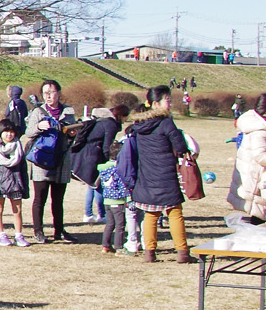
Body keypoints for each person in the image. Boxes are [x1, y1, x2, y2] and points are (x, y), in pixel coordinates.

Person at [126, 85, 192, 263]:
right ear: (156, 103)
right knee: (174, 212)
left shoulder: (139, 124)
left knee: (150, 214)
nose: (169, 103)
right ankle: (183, 252)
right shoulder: (165, 122)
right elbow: (179, 146)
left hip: (147, 174)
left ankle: (150, 252)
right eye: (167, 99)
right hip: (165, 173)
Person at [24, 79, 78, 243]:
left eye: (51, 92)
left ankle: (59, 230)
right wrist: (39, 127)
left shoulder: (68, 111)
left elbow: (73, 132)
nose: (48, 96)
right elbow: (28, 133)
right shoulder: (38, 112)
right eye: (45, 93)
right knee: (40, 198)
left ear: (59, 93)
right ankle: (38, 230)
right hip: (42, 159)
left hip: (61, 158)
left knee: (58, 198)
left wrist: (72, 133)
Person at [227, 94, 266, 224]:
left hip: (254, 176)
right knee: (258, 218)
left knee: (258, 217)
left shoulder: (262, 127)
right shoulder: (260, 131)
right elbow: (260, 156)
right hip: (255, 178)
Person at [72, 104, 129, 222]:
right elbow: (107, 146)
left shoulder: (102, 120)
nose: (125, 120)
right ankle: (101, 214)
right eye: (125, 117)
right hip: (94, 156)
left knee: (92, 185)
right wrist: (110, 160)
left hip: (86, 154)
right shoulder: (111, 125)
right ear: (121, 115)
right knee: (98, 185)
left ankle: (88, 213)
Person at [0, 121, 31, 247]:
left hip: (16, 184)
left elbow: (23, 170)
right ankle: (1, 235)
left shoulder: (18, 148)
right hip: (0, 184)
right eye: (6, 132)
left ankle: (19, 235)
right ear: (0, 133)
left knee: (17, 210)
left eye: (12, 132)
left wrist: (24, 187)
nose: (9, 135)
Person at [98, 139, 133, 254]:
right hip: (118, 201)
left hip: (107, 201)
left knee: (110, 224)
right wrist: (128, 198)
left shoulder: (104, 168)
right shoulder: (118, 169)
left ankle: (105, 245)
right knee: (120, 225)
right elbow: (123, 186)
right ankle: (119, 247)